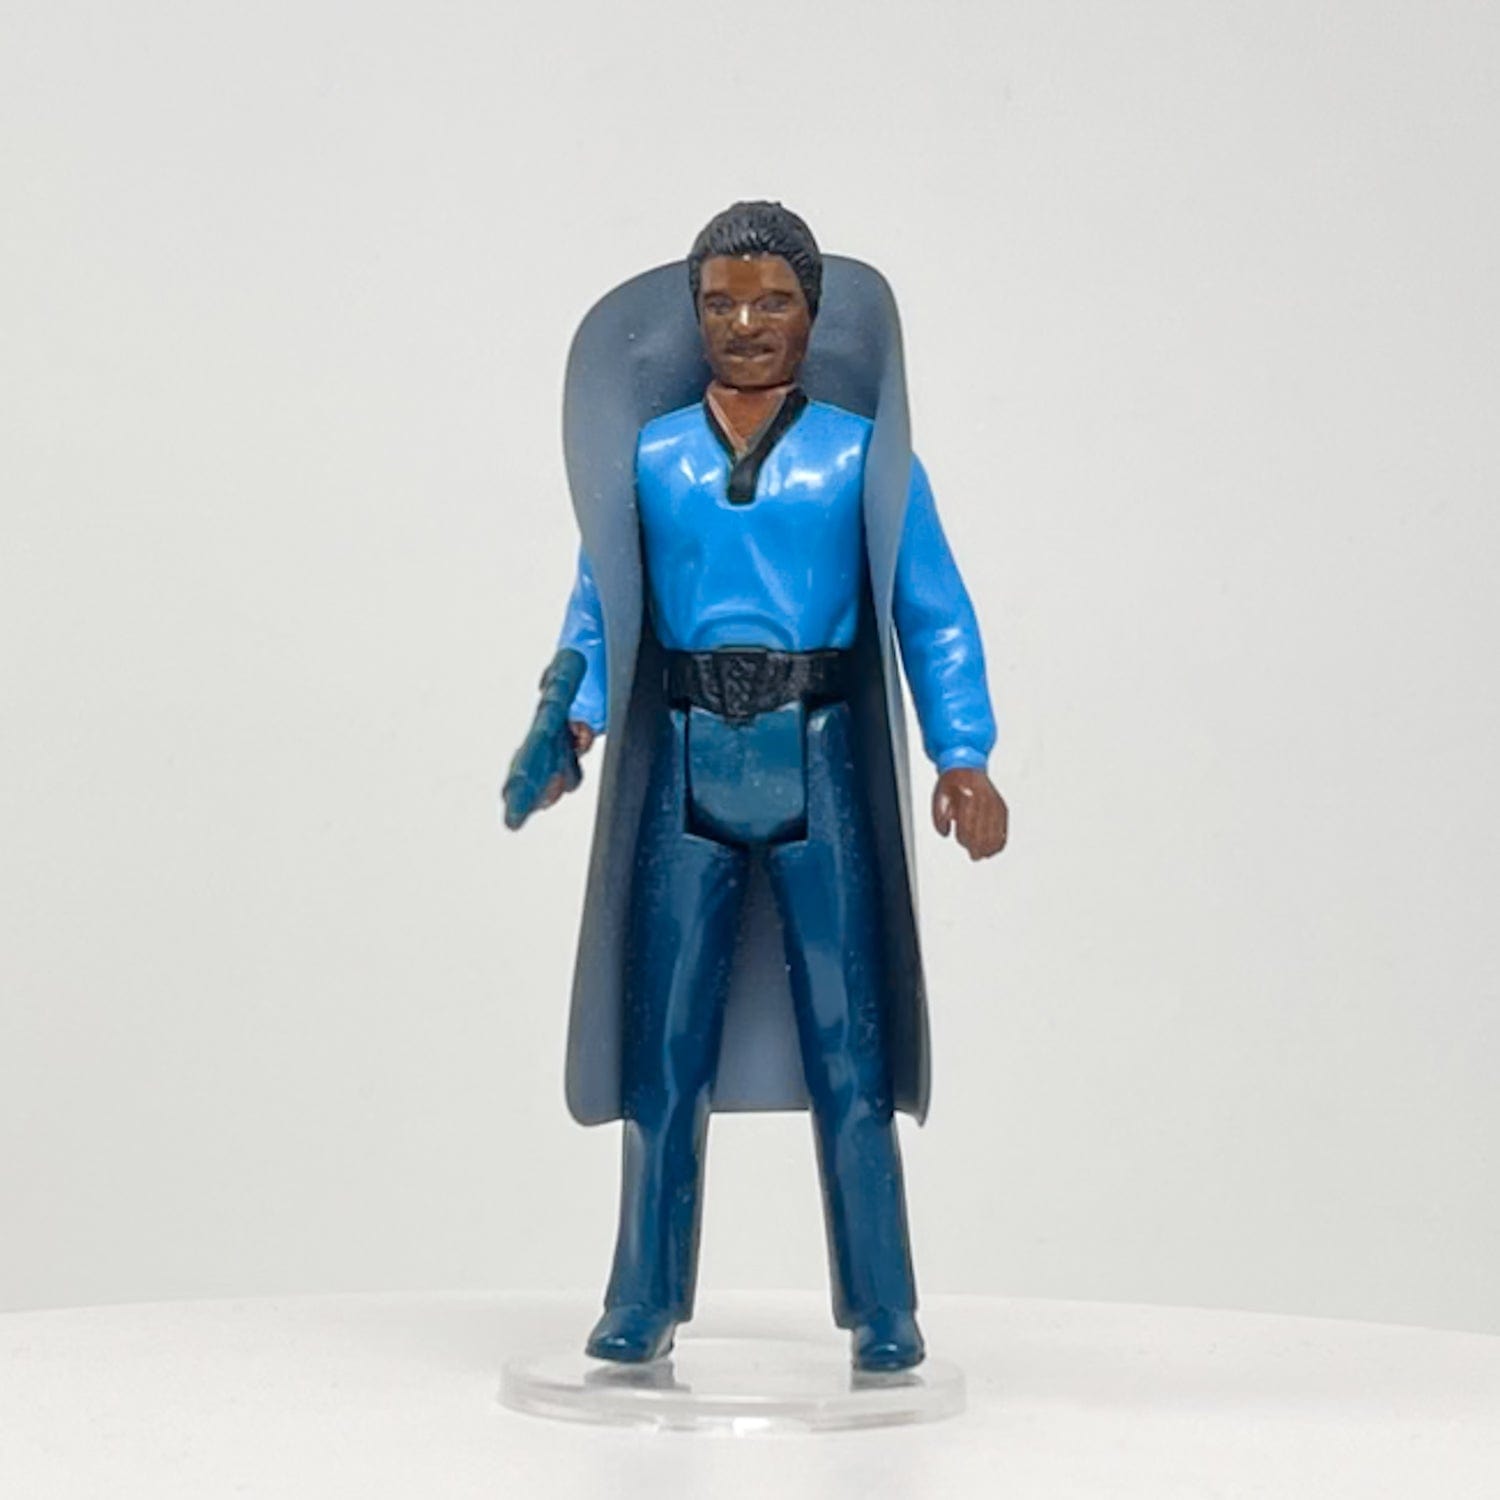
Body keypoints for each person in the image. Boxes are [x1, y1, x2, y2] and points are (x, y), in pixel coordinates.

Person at [515, 201, 1007, 1372]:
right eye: (723, 303)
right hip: (691, 750)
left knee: (851, 1042)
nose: (747, 324)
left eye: (774, 301)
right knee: (664, 1043)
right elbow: (600, 607)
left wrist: (964, 754)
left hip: (818, 751)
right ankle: (644, 1296)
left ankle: (882, 1308)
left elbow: (933, 613)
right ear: (694, 315)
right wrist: (567, 718)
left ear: (812, 313)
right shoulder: (655, 459)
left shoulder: (862, 458)